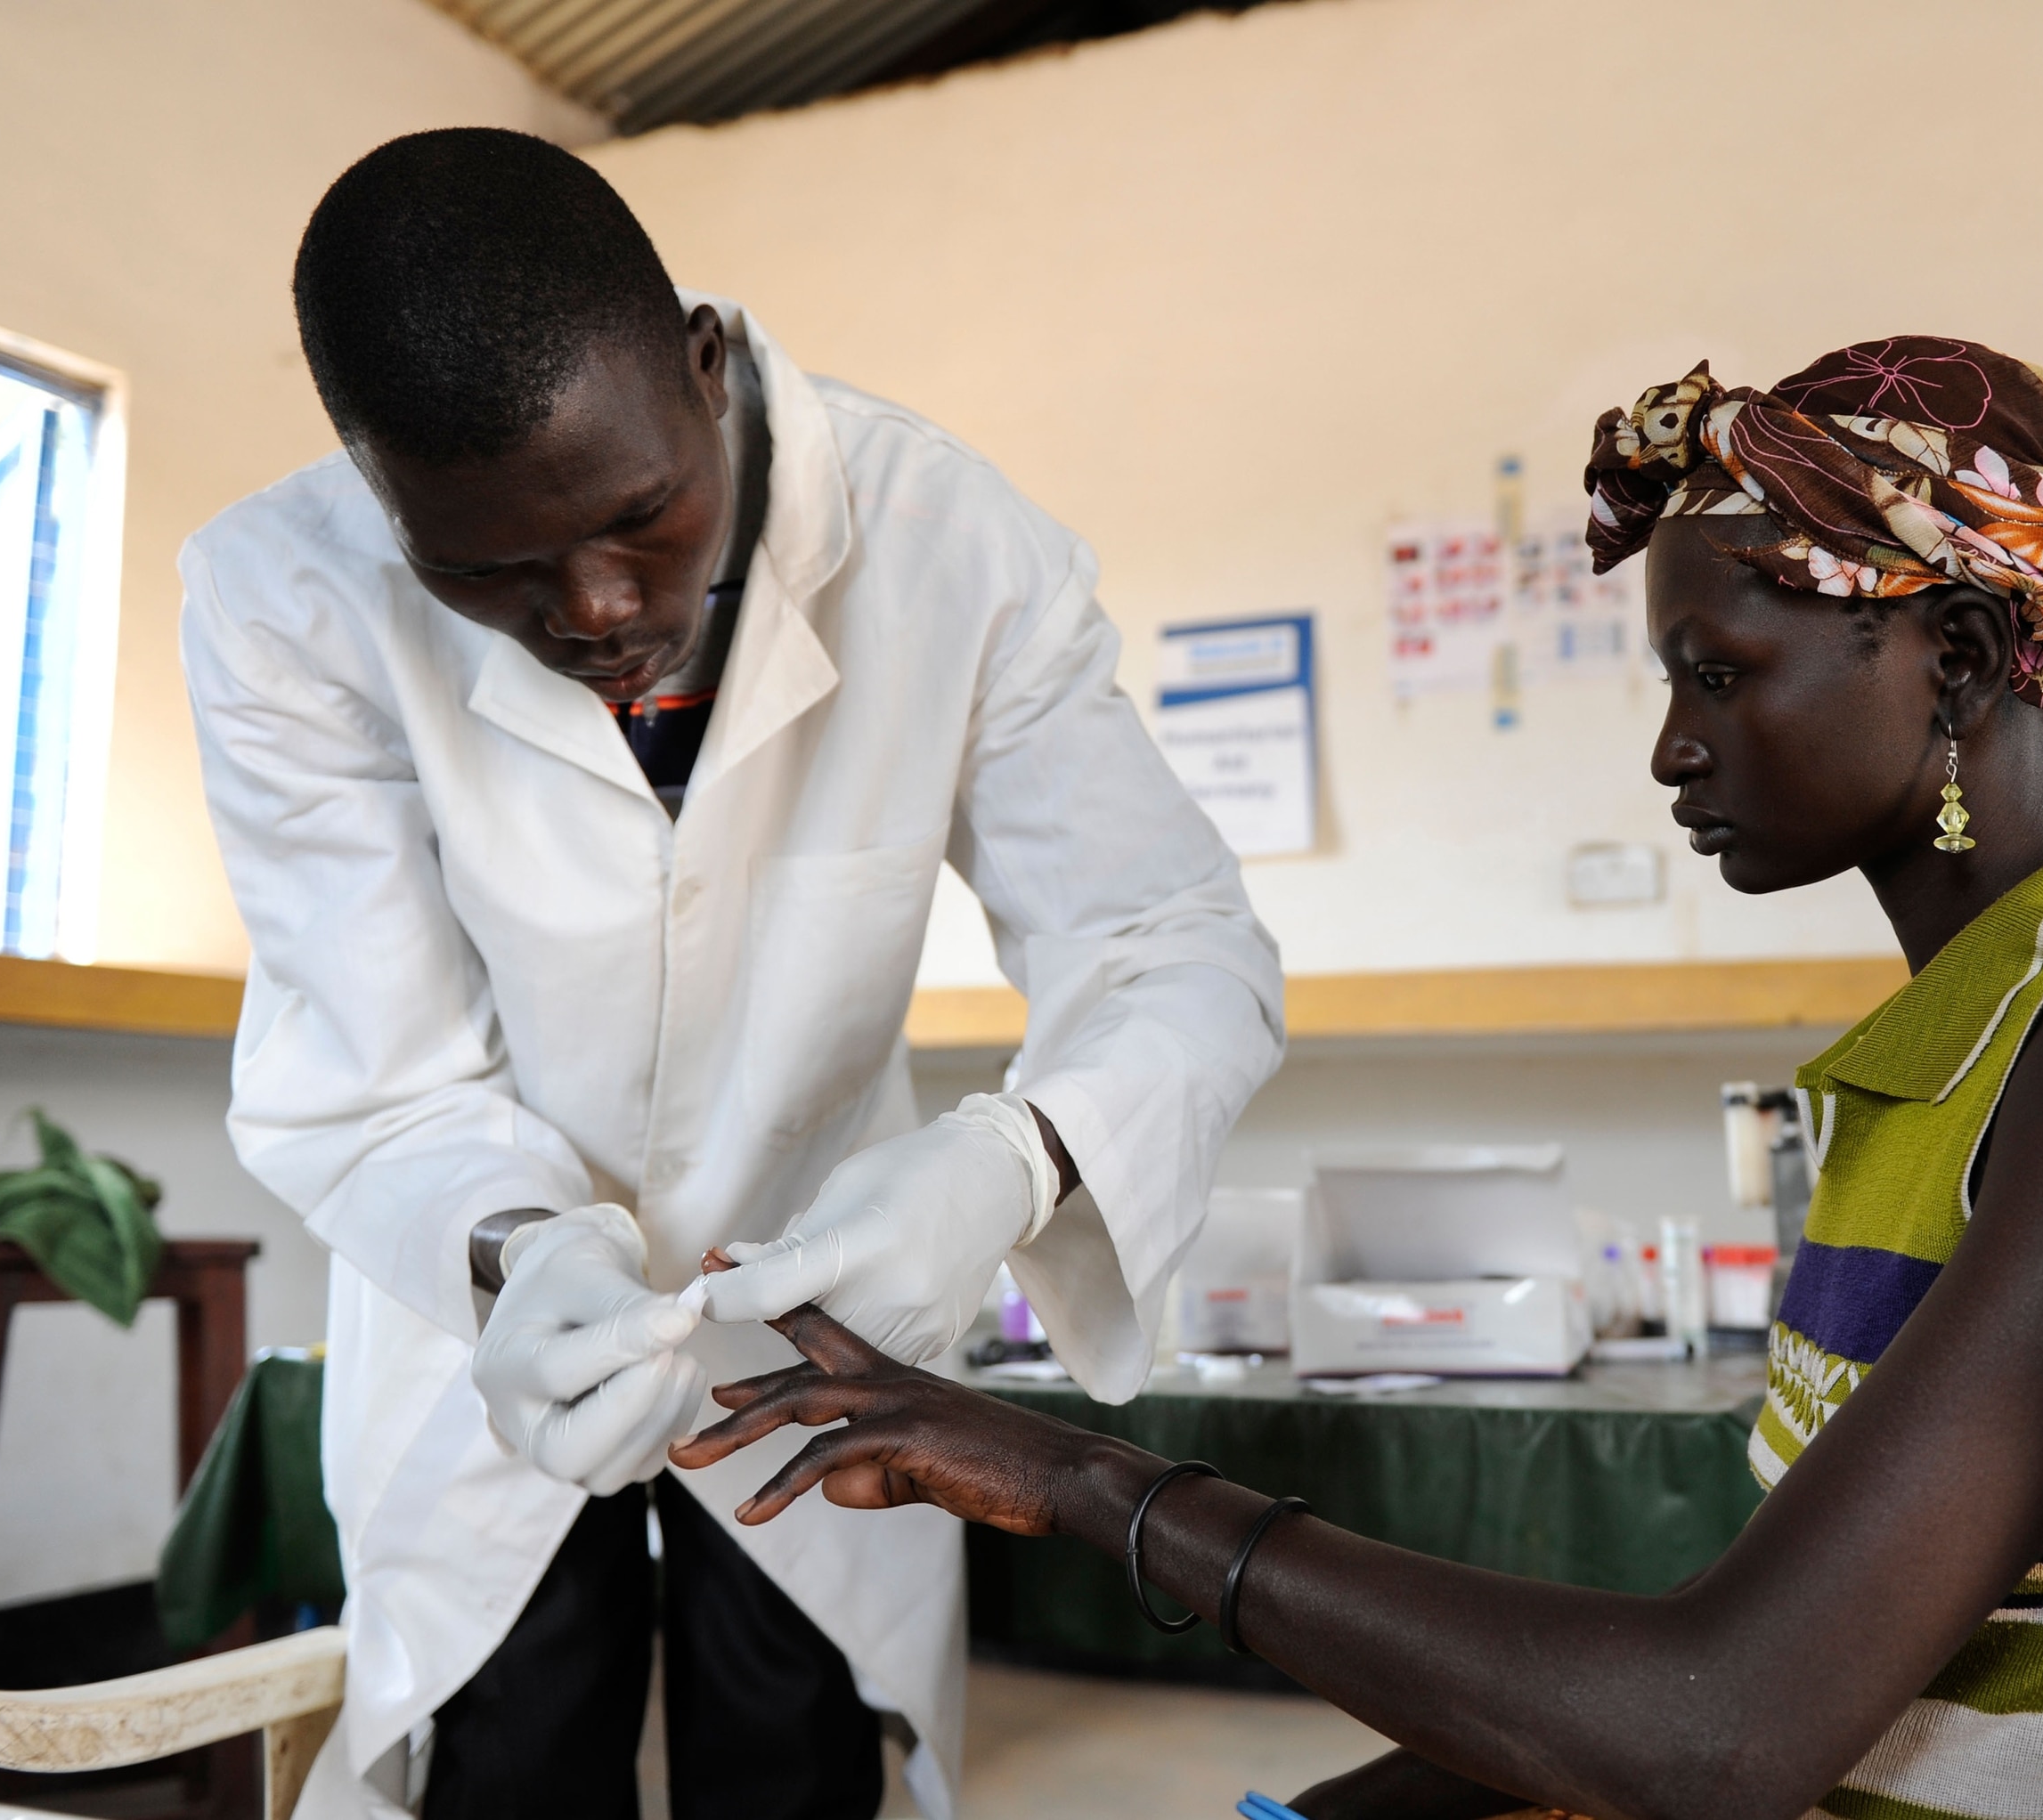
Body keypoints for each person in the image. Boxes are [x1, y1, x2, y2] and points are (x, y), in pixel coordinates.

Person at [671, 337, 2043, 1820]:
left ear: (1958, 656)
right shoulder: (1960, 1044)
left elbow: (1719, 1726)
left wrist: (1089, 1477)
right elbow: (1753, 1666)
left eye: (1717, 675)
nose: (1670, 752)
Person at [181, 128, 1283, 1820]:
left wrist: (1011, 1163)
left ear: (700, 361)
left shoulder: (945, 544)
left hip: (833, 1304)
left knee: (799, 1750)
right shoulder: (280, 599)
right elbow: (373, 1059)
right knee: (504, 1753)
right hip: (492, 1341)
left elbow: (1176, 945)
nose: (600, 608)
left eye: (641, 515)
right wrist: (512, 1251)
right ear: (370, 486)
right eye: (487, 571)